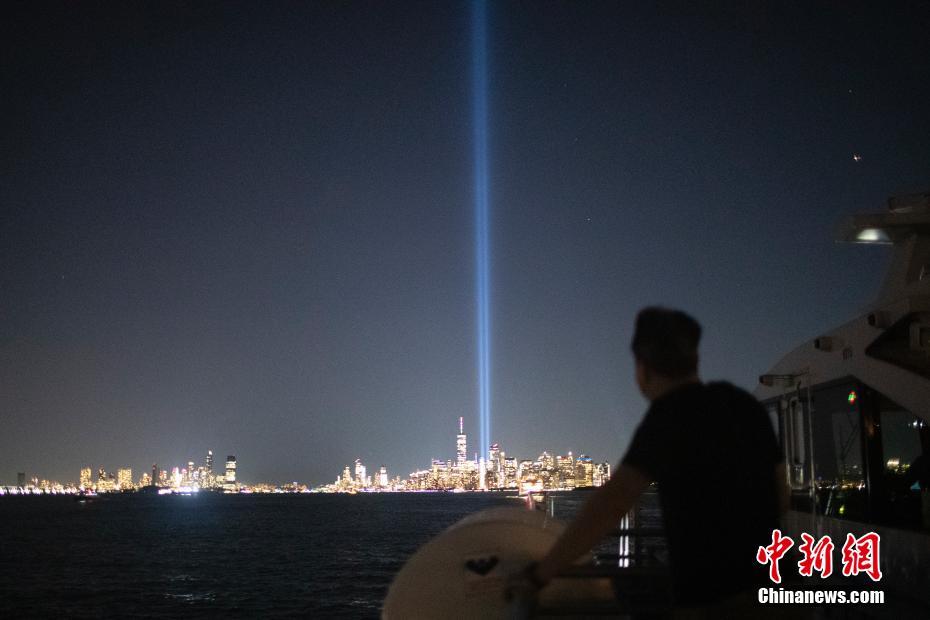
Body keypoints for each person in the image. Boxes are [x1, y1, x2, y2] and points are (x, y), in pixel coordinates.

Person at [519, 307, 786, 618]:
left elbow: (610, 506)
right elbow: (782, 496)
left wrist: (540, 575)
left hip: (711, 602)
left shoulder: (667, 418)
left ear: (642, 369)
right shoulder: (744, 404)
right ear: (695, 360)